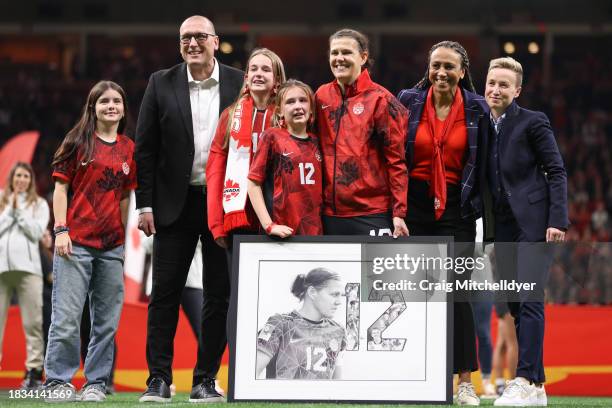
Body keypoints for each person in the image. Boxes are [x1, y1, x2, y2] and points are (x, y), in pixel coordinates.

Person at [134, 15, 243, 403]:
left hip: (223, 203)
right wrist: (143, 204)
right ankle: (158, 380)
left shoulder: (239, 81)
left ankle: (204, 381)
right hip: (171, 205)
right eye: (185, 37)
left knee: (219, 295)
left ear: (215, 41)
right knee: (164, 294)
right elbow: (144, 148)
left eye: (199, 36)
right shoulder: (159, 82)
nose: (192, 43)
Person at [397, 41, 488, 406]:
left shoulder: (477, 109)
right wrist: (396, 208)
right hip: (414, 205)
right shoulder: (407, 100)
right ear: (428, 67)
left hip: (458, 207)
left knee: (456, 295)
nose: (441, 73)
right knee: (414, 294)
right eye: (436, 65)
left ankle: (464, 382)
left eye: (449, 66)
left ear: (463, 71)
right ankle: (417, 376)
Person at [480, 57, 568, 407]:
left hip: (533, 224)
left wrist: (557, 219)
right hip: (500, 226)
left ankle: (523, 378)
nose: (496, 89)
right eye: (491, 83)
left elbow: (556, 170)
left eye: (504, 84)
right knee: (515, 305)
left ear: (517, 90)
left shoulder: (534, 121)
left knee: (530, 300)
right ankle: (538, 387)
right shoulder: (480, 124)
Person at [44, 80, 135, 402]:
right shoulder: (77, 142)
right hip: (76, 242)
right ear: (92, 107)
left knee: (106, 323)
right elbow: (59, 189)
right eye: (104, 101)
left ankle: (95, 383)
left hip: (112, 247)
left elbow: (125, 196)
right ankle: (57, 381)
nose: (111, 106)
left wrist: (122, 237)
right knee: (67, 318)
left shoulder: (128, 148)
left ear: (124, 109)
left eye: (117, 101)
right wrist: (60, 229)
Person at [315, 28, 409, 237]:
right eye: (334, 53)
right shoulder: (321, 96)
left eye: (346, 52)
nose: (339, 58)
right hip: (328, 213)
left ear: (363, 57)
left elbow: (396, 161)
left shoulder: (382, 100)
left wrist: (399, 213)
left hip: (371, 212)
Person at [207, 48, 286, 247]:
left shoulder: (287, 116)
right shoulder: (230, 116)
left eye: (266, 69)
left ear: (277, 80)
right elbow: (215, 170)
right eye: (254, 69)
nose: (259, 73)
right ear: (247, 76)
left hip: (279, 213)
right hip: (238, 216)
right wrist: (216, 224)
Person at [248, 79, 323, 237]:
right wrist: (269, 225)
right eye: (290, 102)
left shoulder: (318, 141)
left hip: (315, 233)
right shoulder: (272, 137)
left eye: (303, 100)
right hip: (281, 231)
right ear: (279, 111)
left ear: (311, 109)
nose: (297, 106)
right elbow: (253, 183)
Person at [0, 162, 49, 390]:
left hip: (30, 270)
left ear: (31, 180)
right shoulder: (1, 199)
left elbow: (36, 232)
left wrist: (19, 210)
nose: (21, 179)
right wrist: (11, 208)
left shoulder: (39, 204)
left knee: (33, 323)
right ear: (12, 178)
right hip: (1, 270)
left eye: (26, 176)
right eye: (18, 175)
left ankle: (33, 373)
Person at [256, 268, 345, 379]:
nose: (339, 301)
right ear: (312, 292)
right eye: (334, 294)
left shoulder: (338, 331)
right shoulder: (279, 324)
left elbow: (336, 385)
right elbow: (251, 375)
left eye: (341, 295)